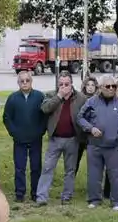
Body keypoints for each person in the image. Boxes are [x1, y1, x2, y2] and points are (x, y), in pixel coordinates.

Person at [77, 75, 118, 210]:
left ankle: (117, 202)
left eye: (113, 86)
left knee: (116, 175)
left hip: (114, 146)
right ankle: (94, 199)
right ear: (101, 87)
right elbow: (80, 117)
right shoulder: (91, 102)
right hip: (95, 145)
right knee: (94, 174)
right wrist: (90, 128)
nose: (111, 89)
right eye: (108, 86)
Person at [37, 72, 86, 206]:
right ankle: (41, 197)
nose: (63, 87)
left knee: (70, 170)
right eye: (61, 84)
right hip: (55, 139)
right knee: (47, 168)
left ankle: (67, 196)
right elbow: (45, 109)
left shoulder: (80, 98)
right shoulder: (51, 95)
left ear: (71, 84)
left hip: (72, 139)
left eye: (66, 84)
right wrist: (59, 96)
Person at [3, 72, 46, 202]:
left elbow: (45, 116)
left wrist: (40, 131)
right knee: (20, 167)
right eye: (22, 81)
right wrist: (14, 132)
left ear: (31, 81)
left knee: (36, 167)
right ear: (18, 83)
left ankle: (35, 193)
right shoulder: (13, 98)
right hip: (19, 140)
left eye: (27, 80)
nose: (25, 83)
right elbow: (7, 118)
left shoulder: (39, 96)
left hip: (35, 139)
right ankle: (20, 193)